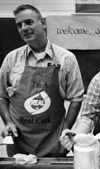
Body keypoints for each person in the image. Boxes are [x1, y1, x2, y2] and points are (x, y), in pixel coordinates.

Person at [0, 4, 84, 157]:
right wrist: (8, 123)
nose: (23, 28)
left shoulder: (66, 59)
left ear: (43, 23)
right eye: (19, 25)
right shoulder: (11, 59)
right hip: (20, 143)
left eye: (29, 22)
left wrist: (65, 129)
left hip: (53, 142)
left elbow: (76, 98)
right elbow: (2, 96)